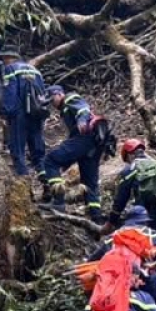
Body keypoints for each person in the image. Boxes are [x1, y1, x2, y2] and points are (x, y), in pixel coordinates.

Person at [43, 86, 106, 221]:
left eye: (52, 99)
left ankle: (58, 202)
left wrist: (82, 120)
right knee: (89, 183)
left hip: (84, 139)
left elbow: (83, 109)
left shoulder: (70, 98)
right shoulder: (65, 108)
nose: (52, 104)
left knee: (51, 160)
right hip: (93, 146)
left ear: (59, 94)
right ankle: (96, 218)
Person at [107, 140, 156, 233]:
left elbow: (121, 200)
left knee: (145, 238)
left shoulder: (130, 169)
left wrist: (111, 222)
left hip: (147, 215)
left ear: (129, 155)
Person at [0, 46, 49, 180]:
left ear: (9, 58)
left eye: (4, 58)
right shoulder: (35, 70)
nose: (3, 62)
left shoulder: (10, 69)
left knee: (18, 150)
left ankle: (24, 182)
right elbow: (43, 94)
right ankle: (46, 182)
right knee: (38, 151)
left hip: (19, 115)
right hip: (36, 113)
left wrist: (5, 114)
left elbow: (10, 93)